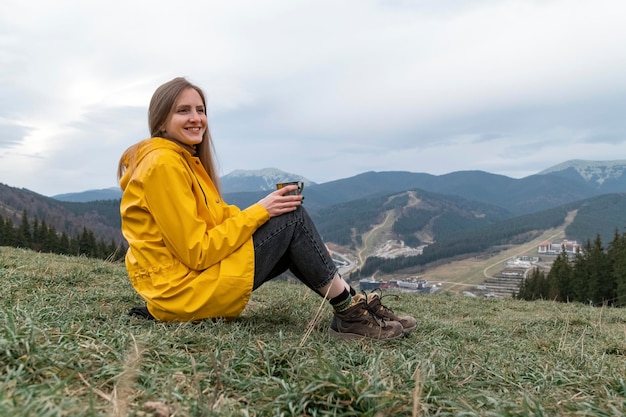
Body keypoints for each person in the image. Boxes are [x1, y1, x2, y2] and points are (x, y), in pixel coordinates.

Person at [117, 77, 416, 340]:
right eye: (183, 111)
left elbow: (216, 218)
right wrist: (262, 212)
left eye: (200, 110)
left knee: (287, 219)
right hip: (182, 294)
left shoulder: (180, 160)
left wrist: (264, 209)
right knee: (291, 218)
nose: (196, 118)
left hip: (182, 287)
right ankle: (351, 313)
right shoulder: (164, 165)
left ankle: (354, 306)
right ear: (160, 121)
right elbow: (197, 251)